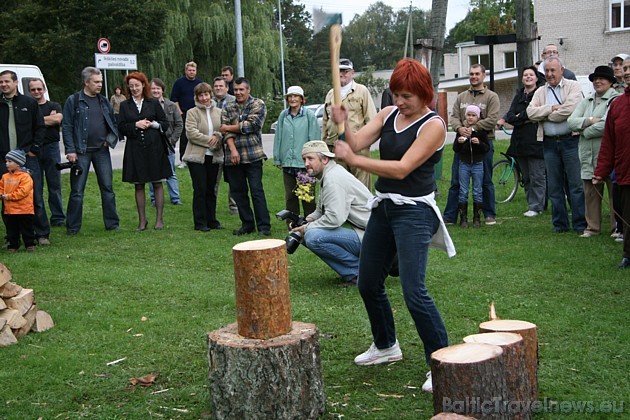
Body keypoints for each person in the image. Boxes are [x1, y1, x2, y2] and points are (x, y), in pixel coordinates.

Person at [332, 58, 455, 394]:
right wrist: (342, 124)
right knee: (368, 283)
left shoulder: (434, 125)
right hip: (385, 208)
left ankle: (441, 362)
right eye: (396, 94)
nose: (399, 101)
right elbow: (355, 143)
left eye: (406, 96)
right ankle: (386, 346)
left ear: (424, 93)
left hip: (415, 212)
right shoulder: (387, 115)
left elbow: (401, 169)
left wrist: (356, 161)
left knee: (414, 292)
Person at [290, 141, 372, 286]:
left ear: (325, 159)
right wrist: (306, 220)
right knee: (308, 232)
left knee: (313, 236)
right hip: (366, 232)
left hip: (374, 237)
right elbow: (321, 210)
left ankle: (361, 273)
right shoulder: (329, 173)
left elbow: (334, 218)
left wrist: (306, 228)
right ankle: (358, 270)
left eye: (310, 159)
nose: (306, 164)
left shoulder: (333, 179)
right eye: (304, 159)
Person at [527, 56, 585, 234]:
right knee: (554, 185)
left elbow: (570, 109)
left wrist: (544, 113)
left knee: (575, 185)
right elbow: (530, 112)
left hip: (570, 141)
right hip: (549, 143)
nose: (550, 74)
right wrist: (551, 108)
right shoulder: (540, 91)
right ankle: (560, 224)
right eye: (547, 71)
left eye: (553, 70)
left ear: (562, 70)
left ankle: (580, 224)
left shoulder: (573, 86)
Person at [62, 67, 119, 235]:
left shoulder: (104, 101)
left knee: (107, 188)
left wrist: (109, 141)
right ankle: (72, 227)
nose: (100, 84)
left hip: (102, 152)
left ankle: (112, 224)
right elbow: (67, 127)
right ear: (86, 82)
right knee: (77, 191)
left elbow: (113, 124)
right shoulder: (74, 100)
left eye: (101, 81)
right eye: (96, 82)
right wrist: (70, 150)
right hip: (81, 152)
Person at [444, 64, 500, 225]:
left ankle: (489, 214)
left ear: (483, 75)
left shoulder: (491, 97)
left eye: (477, 74)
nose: (473, 76)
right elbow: (454, 117)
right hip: (462, 144)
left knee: (486, 180)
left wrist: (473, 128)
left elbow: (492, 119)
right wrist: (460, 128)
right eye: (471, 74)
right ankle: (450, 216)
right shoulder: (461, 97)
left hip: (483, 143)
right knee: (456, 181)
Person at [568, 65, 620, 237]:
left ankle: (616, 228)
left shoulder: (615, 100)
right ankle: (592, 227)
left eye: (602, 78)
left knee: (614, 193)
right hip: (587, 155)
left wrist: (584, 131)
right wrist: (591, 120)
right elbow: (571, 121)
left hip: (607, 154)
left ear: (611, 82)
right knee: (590, 193)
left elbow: (607, 125)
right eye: (595, 79)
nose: (598, 81)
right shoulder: (587, 100)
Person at [118, 72, 172, 231]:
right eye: (131, 86)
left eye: (137, 85)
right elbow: (121, 127)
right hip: (135, 149)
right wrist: (136, 125)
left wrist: (152, 124)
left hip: (154, 148)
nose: (134, 88)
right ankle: (142, 221)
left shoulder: (153, 103)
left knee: (157, 182)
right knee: (139, 185)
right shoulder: (124, 105)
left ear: (143, 85)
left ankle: (159, 219)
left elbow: (165, 123)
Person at [0, 70, 47, 244]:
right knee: (6, 197)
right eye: (1, 82)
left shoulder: (28, 102)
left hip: (27, 157)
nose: (4, 85)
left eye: (6, 81)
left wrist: (34, 149)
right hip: (4, 159)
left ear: (15, 82)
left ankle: (41, 233)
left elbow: (40, 127)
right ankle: (12, 237)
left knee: (34, 196)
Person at [221, 77, 271, 236]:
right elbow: (224, 132)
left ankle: (264, 226)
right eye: (236, 90)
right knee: (238, 192)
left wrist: (229, 126)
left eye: (242, 89)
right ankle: (247, 224)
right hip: (233, 157)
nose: (238, 93)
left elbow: (252, 125)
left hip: (253, 156)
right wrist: (233, 149)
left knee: (256, 191)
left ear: (248, 90)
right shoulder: (228, 106)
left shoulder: (258, 104)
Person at [594, 57, 630, 268]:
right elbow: (609, 142)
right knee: (626, 215)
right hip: (625, 172)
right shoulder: (617, 105)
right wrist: (601, 170)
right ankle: (628, 254)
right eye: (625, 69)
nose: (626, 72)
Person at [322, 58, 377, 190]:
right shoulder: (331, 94)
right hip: (335, 148)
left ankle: (363, 211)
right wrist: (325, 146)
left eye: (345, 71)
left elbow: (372, 119)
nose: (341, 74)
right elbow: (325, 122)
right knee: (339, 188)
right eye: (338, 71)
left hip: (357, 149)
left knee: (361, 189)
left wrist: (365, 144)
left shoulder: (361, 91)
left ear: (352, 73)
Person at [273, 86, 321, 222]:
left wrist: (314, 159)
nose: (293, 99)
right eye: (290, 96)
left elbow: (314, 139)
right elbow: (278, 137)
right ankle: (292, 223)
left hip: (304, 164)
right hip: (288, 163)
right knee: (290, 196)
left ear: (301, 99)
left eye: (296, 96)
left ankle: (310, 223)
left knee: (307, 196)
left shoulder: (309, 116)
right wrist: (277, 158)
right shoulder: (283, 115)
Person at [504, 66, 546, 217]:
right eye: (525, 75)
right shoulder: (519, 95)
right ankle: (531, 204)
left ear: (536, 78)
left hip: (535, 140)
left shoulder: (540, 94)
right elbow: (509, 116)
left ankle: (537, 206)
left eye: (531, 75)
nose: (528, 77)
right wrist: (520, 117)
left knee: (537, 175)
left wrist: (519, 117)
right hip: (519, 141)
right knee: (526, 176)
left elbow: (532, 113)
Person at [183, 82, 224, 231]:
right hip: (197, 156)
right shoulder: (192, 112)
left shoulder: (219, 112)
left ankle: (212, 219)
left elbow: (223, 130)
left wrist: (218, 136)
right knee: (200, 188)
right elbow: (191, 133)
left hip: (214, 156)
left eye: (206, 94)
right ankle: (200, 222)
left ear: (210, 94)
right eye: (201, 95)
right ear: (197, 97)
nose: (204, 98)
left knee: (211, 189)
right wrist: (210, 140)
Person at [28, 78, 65, 230]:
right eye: (33, 90)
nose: (36, 92)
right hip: (33, 150)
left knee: (54, 184)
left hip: (51, 148)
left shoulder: (54, 105)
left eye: (39, 89)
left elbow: (57, 120)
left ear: (43, 89)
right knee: (36, 186)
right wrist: (46, 119)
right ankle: (39, 218)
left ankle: (58, 217)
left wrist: (35, 121)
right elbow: (24, 123)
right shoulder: (28, 106)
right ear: (29, 91)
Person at [453, 105, 489, 228]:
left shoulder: (481, 132)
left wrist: (479, 143)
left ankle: (477, 218)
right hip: (464, 164)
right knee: (463, 191)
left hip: (478, 164)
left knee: (477, 191)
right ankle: (463, 218)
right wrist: (459, 142)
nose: (470, 117)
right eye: (469, 115)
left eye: (473, 115)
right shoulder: (461, 131)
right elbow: (455, 149)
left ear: (478, 118)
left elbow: (486, 148)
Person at [149, 78, 183, 206]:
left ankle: (175, 198)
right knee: (152, 172)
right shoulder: (145, 105)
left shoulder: (171, 105)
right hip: (151, 144)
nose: (155, 91)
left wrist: (173, 140)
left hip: (168, 144)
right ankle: (154, 199)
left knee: (171, 172)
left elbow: (179, 124)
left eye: (158, 88)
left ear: (162, 90)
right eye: (153, 88)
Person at [0, 150, 35, 252]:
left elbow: (23, 192)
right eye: (6, 161)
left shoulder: (26, 177)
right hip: (10, 210)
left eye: (10, 161)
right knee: (12, 229)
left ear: (19, 163)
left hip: (24, 209)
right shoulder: (5, 176)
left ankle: (30, 244)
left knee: (27, 228)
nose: (7, 164)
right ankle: (13, 245)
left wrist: (9, 196)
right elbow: (1, 187)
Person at [212, 76, 238, 215]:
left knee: (232, 178)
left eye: (221, 86)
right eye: (216, 86)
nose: (218, 88)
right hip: (215, 145)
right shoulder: (209, 102)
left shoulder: (234, 101)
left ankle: (234, 206)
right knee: (214, 178)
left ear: (227, 88)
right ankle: (212, 206)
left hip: (231, 144)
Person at [170, 61, 203, 167]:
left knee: (198, 135)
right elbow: (174, 99)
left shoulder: (199, 83)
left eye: (193, 70)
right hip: (184, 113)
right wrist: (180, 113)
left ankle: (197, 157)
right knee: (184, 137)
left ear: (196, 71)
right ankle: (183, 160)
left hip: (198, 113)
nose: (191, 72)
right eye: (189, 70)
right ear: (186, 71)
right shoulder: (179, 83)